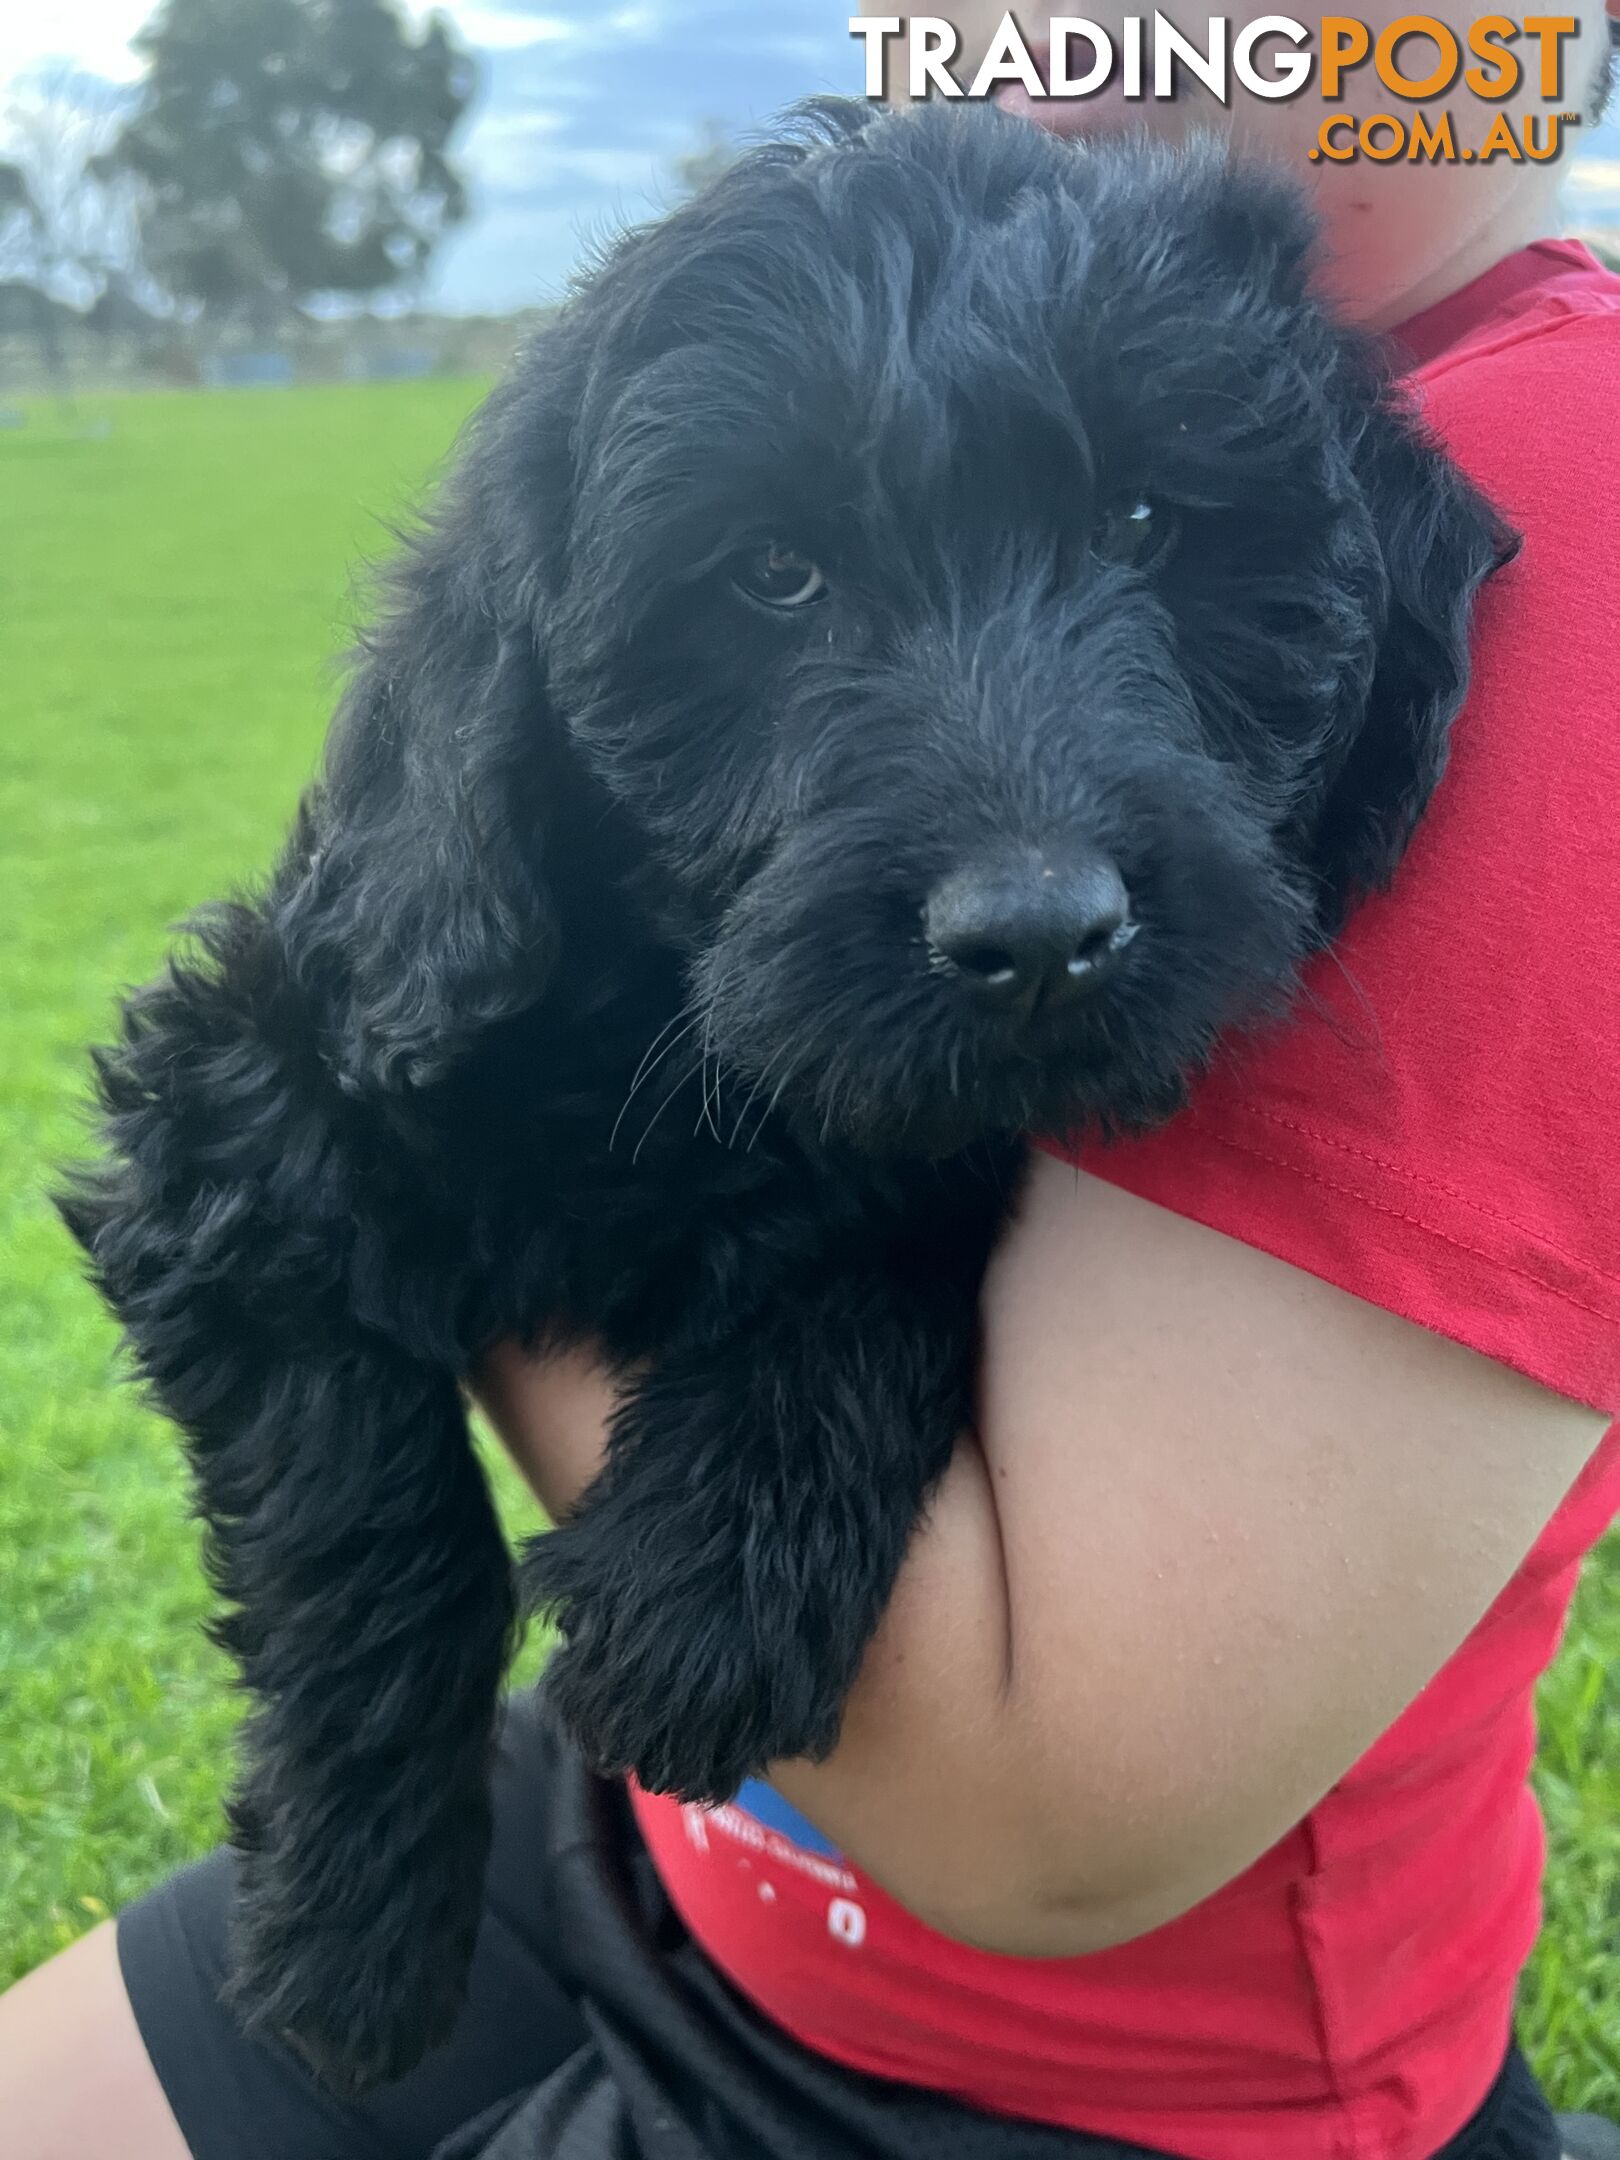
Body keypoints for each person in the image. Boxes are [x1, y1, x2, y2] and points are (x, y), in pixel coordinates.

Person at [6, 7, 1620, 2158]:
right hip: (631, 1843)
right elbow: (248, 1106)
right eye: (782, 576)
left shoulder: (1538, 484)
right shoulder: (1008, 322)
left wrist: (776, 1357)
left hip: (1117, 2078)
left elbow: (1039, 1797)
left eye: (1138, 531)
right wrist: (372, 1714)